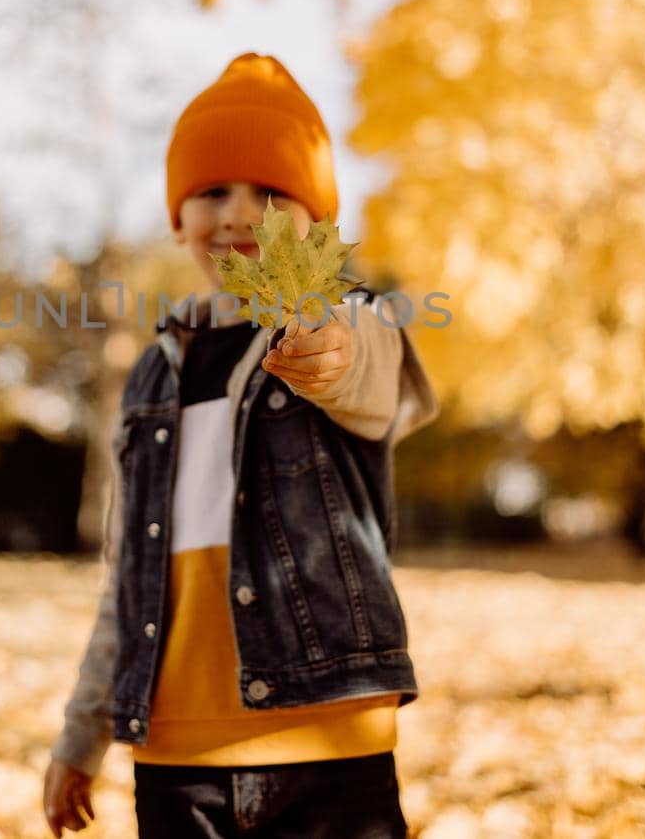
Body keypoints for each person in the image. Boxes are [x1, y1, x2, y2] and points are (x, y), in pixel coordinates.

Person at [42, 53, 439, 837]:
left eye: (271, 193)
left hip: (328, 736)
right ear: (177, 215)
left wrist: (330, 346)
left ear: (319, 225)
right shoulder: (153, 375)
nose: (239, 214)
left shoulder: (341, 320)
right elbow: (127, 572)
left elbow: (371, 370)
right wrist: (82, 731)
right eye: (212, 190)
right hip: (175, 748)